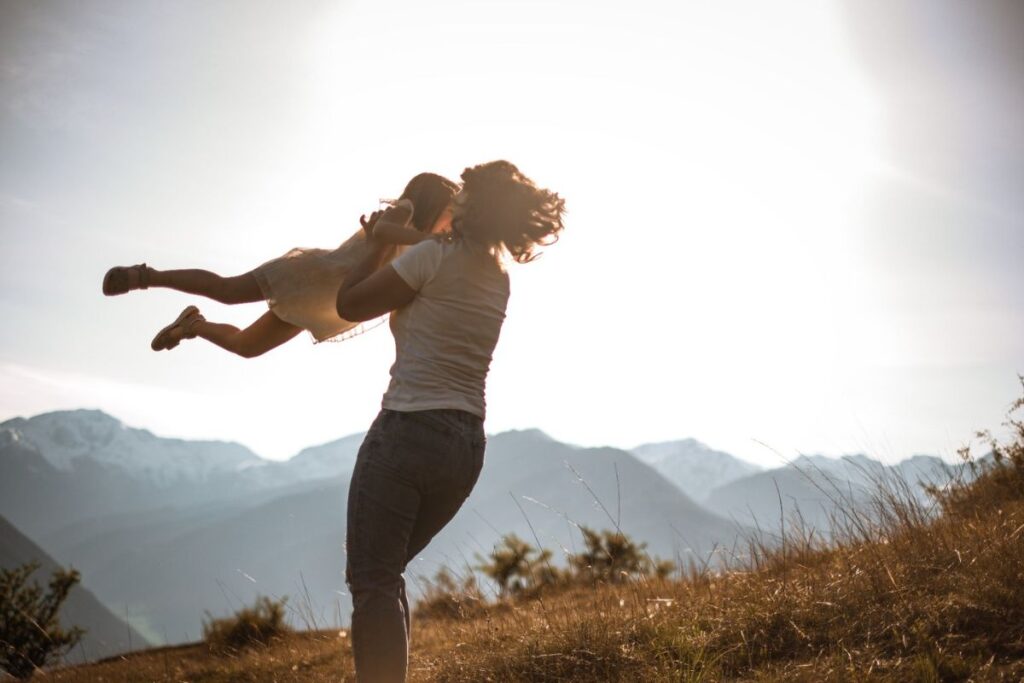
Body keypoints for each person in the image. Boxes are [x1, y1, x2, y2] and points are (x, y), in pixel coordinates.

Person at [336, 160, 565, 682]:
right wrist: (395, 231)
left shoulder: (433, 258)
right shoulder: (498, 276)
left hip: (407, 433)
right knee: (385, 576)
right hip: (465, 447)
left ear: (472, 204)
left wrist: (372, 245)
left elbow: (349, 305)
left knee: (372, 581)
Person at [101, 173, 459, 356]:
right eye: (451, 209)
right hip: (311, 278)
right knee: (227, 290)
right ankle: (146, 275)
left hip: (322, 305)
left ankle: (192, 326)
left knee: (246, 347)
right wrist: (426, 239)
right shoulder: (407, 211)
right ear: (435, 199)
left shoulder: (427, 246)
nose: (451, 220)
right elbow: (384, 228)